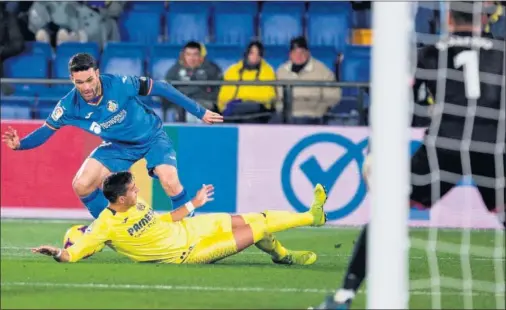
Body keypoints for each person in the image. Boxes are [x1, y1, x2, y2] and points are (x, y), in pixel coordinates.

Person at [313, 1, 505, 308]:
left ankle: (344, 295)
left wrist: (379, 149)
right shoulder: (501, 52)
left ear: (449, 19)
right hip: (492, 146)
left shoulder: (432, 53)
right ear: (484, 19)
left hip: (444, 146)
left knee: (388, 214)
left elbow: (410, 111)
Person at [2, 53, 223, 219]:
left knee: (169, 180)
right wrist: (21, 144)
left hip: (152, 137)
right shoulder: (69, 106)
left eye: (89, 80)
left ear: (97, 73)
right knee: (82, 184)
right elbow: (45, 131)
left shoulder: (119, 84)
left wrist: (200, 112)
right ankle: (113, 228)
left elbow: (162, 87)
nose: (86, 87)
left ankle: (191, 229)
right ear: (72, 80)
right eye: (79, 82)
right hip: (118, 146)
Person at [31, 171, 328, 265]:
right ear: (121, 199)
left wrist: (193, 204)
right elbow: (73, 254)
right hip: (189, 252)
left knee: (256, 217)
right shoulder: (104, 226)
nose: (138, 191)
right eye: (133, 190)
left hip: (191, 227)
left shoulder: (136, 203)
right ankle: (305, 225)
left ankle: (294, 242)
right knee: (260, 228)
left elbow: (163, 220)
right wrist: (56, 252)